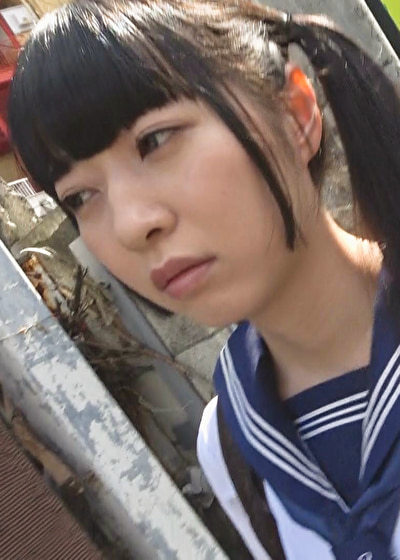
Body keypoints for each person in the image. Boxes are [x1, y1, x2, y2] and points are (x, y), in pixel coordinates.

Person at [7, 0, 400, 557]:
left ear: (296, 113)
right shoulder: (230, 446)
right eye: (81, 197)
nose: (130, 224)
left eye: (155, 140)